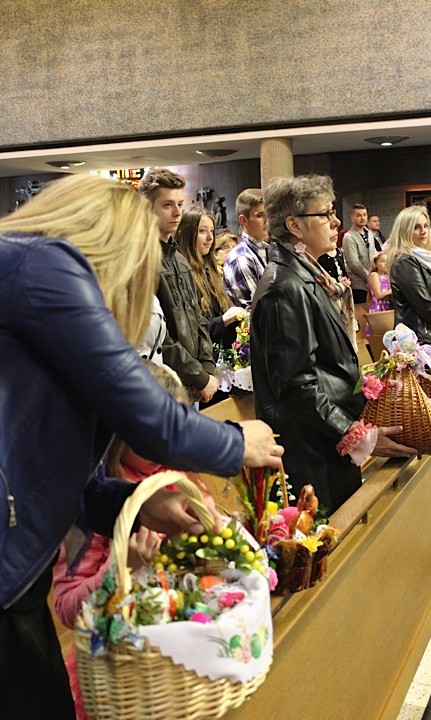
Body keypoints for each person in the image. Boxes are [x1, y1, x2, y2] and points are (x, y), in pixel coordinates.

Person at [0, 174, 284, 720]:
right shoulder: (43, 263)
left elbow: (59, 479)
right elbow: (143, 410)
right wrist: (235, 440)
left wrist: (133, 503)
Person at [251, 174, 416, 514]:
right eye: (325, 214)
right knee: (329, 533)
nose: (336, 221)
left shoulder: (306, 273)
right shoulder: (284, 287)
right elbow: (295, 384)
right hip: (309, 449)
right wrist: (355, 433)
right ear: (294, 225)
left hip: (324, 438)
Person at [53, 362, 191, 720]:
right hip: (120, 677)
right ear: (116, 433)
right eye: (150, 436)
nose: (162, 448)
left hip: (175, 672)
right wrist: (119, 567)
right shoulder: (89, 502)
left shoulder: (171, 479)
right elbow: (67, 608)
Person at [138, 167, 219, 404]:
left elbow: (198, 319)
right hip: (164, 382)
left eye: (180, 204)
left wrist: (207, 368)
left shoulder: (181, 259)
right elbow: (156, 335)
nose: (177, 212)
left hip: (192, 381)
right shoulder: (141, 260)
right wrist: (199, 376)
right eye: (167, 205)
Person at [176, 206, 246, 352]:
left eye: (212, 231)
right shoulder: (182, 272)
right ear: (186, 234)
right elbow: (187, 330)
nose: (210, 238)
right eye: (202, 231)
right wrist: (222, 321)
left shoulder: (210, 269)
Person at [388, 206, 431, 344]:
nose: (423, 231)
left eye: (425, 226)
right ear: (405, 231)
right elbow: (425, 305)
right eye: (416, 227)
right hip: (419, 338)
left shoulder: (427, 260)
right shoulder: (405, 262)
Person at [222, 188, 269, 308]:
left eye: (269, 215)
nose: (267, 221)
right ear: (243, 220)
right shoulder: (241, 258)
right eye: (260, 216)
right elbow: (257, 309)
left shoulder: (266, 248)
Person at [342, 203, 376, 303]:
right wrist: (368, 277)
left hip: (372, 280)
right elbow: (354, 263)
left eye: (364, 215)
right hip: (358, 284)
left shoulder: (369, 233)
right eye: (358, 215)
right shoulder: (349, 237)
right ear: (352, 218)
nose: (362, 218)